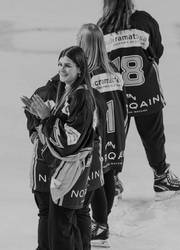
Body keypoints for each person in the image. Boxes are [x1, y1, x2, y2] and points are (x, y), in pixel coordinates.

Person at [97, 0, 180, 200]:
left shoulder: (102, 27)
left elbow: (96, 61)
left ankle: (112, 180)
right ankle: (161, 177)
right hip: (146, 91)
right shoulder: (144, 20)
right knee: (154, 136)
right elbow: (157, 51)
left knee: (113, 137)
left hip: (115, 94)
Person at [22, 46, 96, 250]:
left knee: (62, 231)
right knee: (60, 227)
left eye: (68, 66)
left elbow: (68, 141)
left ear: (80, 69)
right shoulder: (70, 92)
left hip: (72, 170)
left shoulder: (80, 97)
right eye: (60, 65)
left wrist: (46, 118)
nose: (62, 70)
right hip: (64, 170)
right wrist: (40, 117)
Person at [76, 23, 127, 247]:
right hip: (116, 131)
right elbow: (123, 104)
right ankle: (103, 222)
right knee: (108, 175)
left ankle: (100, 224)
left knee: (95, 176)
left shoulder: (87, 75)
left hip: (98, 132)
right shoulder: (114, 71)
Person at [23, 75, 59, 250]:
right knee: (68, 212)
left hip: (58, 161)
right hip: (51, 161)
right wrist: (34, 130)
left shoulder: (78, 95)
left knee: (54, 212)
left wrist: (34, 130)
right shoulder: (45, 92)